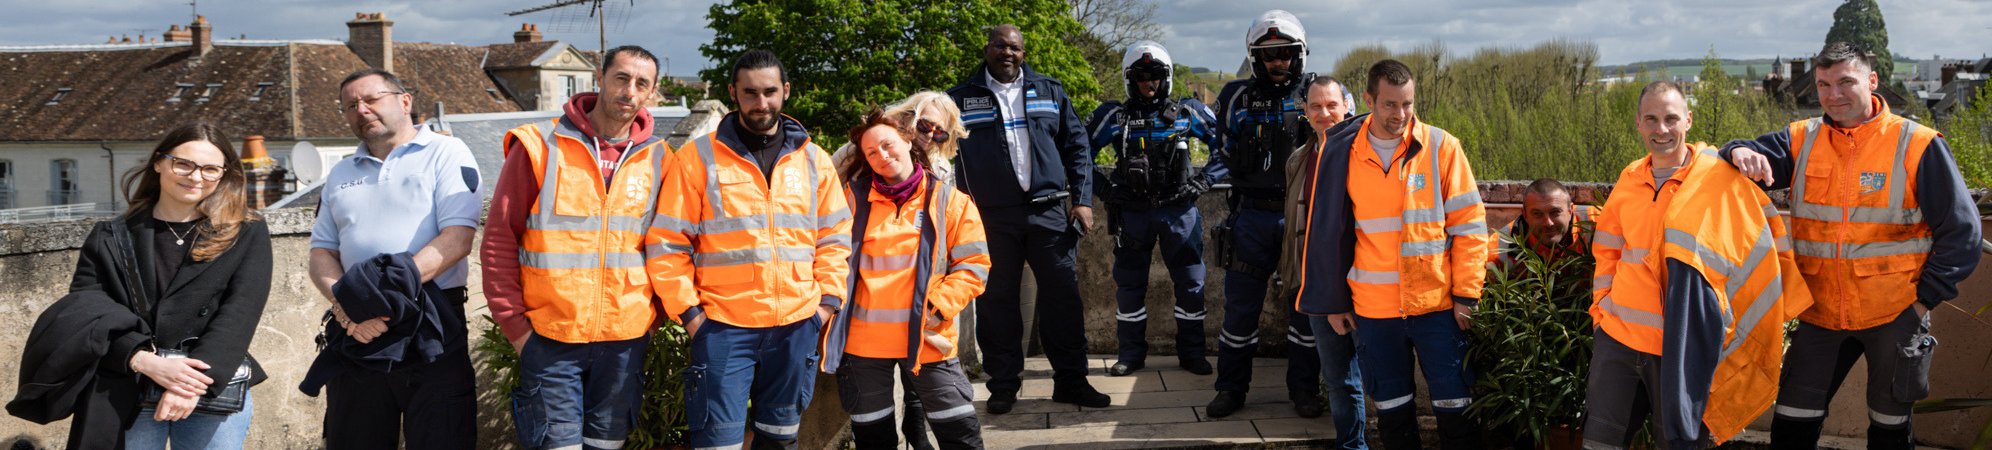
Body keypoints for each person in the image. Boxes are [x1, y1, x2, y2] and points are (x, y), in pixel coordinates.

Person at [1723, 42, 1982, 450]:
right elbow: (1740, 155)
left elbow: (1963, 233)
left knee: (1890, 429)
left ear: (1872, 81)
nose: (1833, 95)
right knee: (1791, 424)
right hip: (1820, 316)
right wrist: (1738, 150)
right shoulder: (1802, 139)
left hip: (1895, 314)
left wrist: (1924, 300)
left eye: (1846, 81)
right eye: (1824, 84)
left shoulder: (1917, 144)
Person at [1585, 81, 1813, 449]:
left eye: (1671, 119)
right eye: (1652, 119)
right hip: (1619, 341)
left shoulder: (1717, 179)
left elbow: (1759, 246)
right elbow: (1607, 251)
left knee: (1681, 443)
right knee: (1599, 443)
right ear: (1639, 124)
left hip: (1681, 347)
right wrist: (1602, 310)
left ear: (1688, 120)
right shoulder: (1629, 179)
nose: (1662, 129)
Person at [23, 123, 273, 450]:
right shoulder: (111, 236)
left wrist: (188, 387)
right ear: (159, 162)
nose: (196, 177)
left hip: (209, 384)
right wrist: (141, 359)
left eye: (210, 169)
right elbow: (89, 311)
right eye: (183, 164)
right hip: (128, 383)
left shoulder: (246, 232)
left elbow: (239, 313)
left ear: (224, 174)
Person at [647, 49, 851, 450]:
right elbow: (667, 244)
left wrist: (825, 304)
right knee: (716, 443)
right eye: (751, 93)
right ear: (733, 93)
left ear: (786, 91)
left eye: (770, 92)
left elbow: (834, 237)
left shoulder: (813, 160)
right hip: (723, 327)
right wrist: (691, 317)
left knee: (779, 441)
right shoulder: (697, 158)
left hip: (796, 324)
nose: (762, 103)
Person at [482, 45, 671, 450]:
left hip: (625, 339)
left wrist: (654, 319)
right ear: (599, 79)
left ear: (652, 93)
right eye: (621, 78)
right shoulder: (539, 144)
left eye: (642, 84)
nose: (629, 91)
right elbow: (499, 239)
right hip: (550, 337)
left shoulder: (661, 158)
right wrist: (516, 329)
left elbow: (672, 248)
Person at [1297, 59, 1491, 450]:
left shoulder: (1442, 147)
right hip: (1374, 310)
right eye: (1389, 104)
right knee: (1393, 413)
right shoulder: (1342, 152)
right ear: (1369, 99)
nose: (1400, 115)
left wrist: (1468, 295)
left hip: (1437, 307)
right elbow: (1328, 235)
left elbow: (1470, 227)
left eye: (1408, 104)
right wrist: (1335, 302)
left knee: (1456, 409)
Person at [308, 69, 480, 450]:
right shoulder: (339, 174)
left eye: (371, 99)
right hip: (356, 329)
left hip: (431, 321)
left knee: (442, 439)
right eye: (351, 106)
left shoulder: (446, 152)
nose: (362, 110)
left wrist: (378, 301)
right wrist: (347, 309)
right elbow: (321, 253)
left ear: (405, 101)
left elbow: (457, 238)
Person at [946, 23, 1108, 414]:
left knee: (1063, 298)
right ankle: (1003, 386)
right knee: (996, 302)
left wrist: (1082, 201)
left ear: (1024, 52)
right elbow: (938, 154)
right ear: (987, 49)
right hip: (989, 218)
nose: (1008, 53)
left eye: (1015, 48)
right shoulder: (958, 100)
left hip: (1049, 211)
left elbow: (1078, 146)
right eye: (1000, 46)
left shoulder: (1049, 91)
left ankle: (1071, 381)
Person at [821, 110, 992, 450]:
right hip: (862, 347)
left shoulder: (950, 201)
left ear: (907, 140)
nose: (882, 156)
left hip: (929, 339)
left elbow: (974, 265)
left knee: (960, 435)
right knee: (874, 440)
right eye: (871, 152)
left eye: (887, 145)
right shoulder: (850, 201)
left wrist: (941, 305)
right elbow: (826, 256)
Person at [1206, 10, 1323, 419]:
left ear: (1300, 54)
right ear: (1256, 57)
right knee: (1239, 312)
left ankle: (1305, 392)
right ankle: (1230, 390)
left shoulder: (1318, 93)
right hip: (1251, 217)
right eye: (1270, 54)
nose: (1279, 62)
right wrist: (1199, 180)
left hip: (1303, 220)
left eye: (1287, 53)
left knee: (1305, 312)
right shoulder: (1235, 96)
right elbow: (1218, 153)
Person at [1085, 40, 1218, 377]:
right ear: (1130, 78)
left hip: (1180, 211)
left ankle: (1192, 353)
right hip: (1132, 212)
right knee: (1129, 285)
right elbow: (1077, 153)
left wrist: (1205, 181)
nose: (1149, 82)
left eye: (1156, 75)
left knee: (1191, 283)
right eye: (1141, 75)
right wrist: (1105, 190)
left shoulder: (1188, 112)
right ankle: (1130, 354)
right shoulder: (1114, 116)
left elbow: (1227, 146)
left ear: (1167, 76)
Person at [1277, 75, 1368, 448]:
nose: (1324, 113)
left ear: (1347, 106)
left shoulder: (1366, 152)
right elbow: (1298, 226)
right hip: (1317, 285)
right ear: (1305, 112)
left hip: (1367, 283)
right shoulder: (1299, 159)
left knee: (1382, 378)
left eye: (1332, 105)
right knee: (1338, 378)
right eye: (1315, 106)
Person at [832, 91, 970, 183]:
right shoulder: (863, 146)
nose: (929, 134)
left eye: (939, 133)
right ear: (907, 116)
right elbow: (825, 181)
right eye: (925, 125)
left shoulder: (940, 168)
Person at [1491, 178, 1594, 271]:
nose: (1548, 223)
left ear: (1570, 210)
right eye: (1537, 214)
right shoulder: (1500, 246)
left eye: (1555, 212)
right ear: (1525, 214)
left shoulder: (1596, 223)